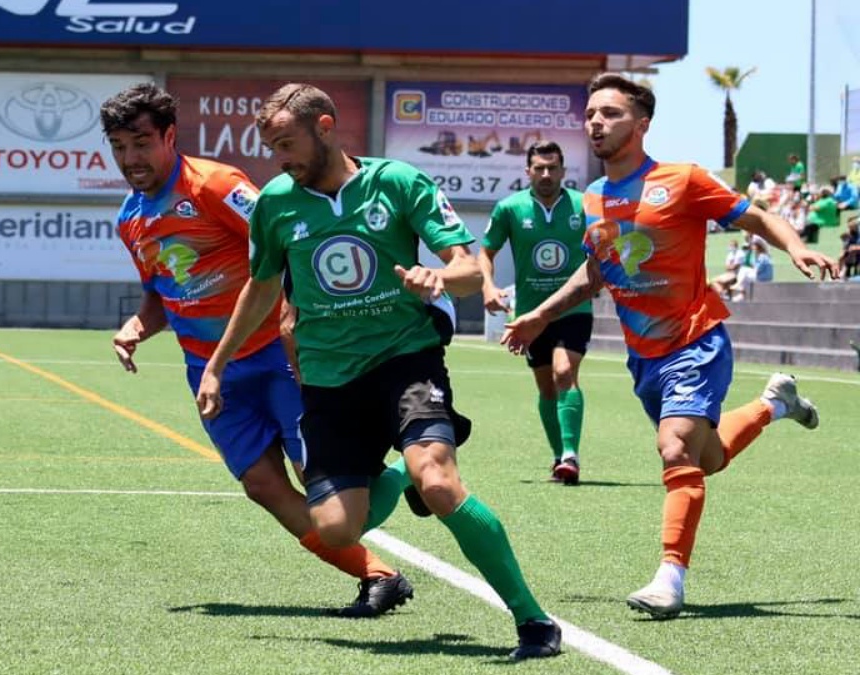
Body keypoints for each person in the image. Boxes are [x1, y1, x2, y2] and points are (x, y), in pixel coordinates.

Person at [196, 83, 561, 660]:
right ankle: (397, 479)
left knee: (439, 482)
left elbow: (467, 267)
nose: (280, 159)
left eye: (286, 143)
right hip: (328, 382)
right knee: (338, 530)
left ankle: (533, 622)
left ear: (324, 126)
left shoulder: (397, 182)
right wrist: (216, 365)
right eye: (272, 148)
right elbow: (262, 286)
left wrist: (440, 279)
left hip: (404, 360)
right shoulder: (275, 203)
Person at [502, 73, 839, 620]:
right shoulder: (593, 200)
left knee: (676, 447)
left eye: (610, 113)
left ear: (641, 124)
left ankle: (669, 577)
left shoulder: (682, 180)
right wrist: (538, 317)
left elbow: (753, 216)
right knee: (706, 458)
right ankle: (776, 403)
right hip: (646, 358)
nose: (596, 122)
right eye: (590, 114)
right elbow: (595, 273)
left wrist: (797, 245)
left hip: (696, 339)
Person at [100, 83, 413, 619]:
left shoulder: (216, 185)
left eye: (141, 143)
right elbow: (163, 292)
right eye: (119, 146)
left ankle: (412, 468)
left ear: (169, 137)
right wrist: (137, 324)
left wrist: (298, 315)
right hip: (208, 370)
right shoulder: (131, 218)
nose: (131, 158)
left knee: (318, 479)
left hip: (275, 356)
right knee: (264, 485)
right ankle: (377, 575)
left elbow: (292, 242)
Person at [478, 140, 590, 484]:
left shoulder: (583, 205)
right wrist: (487, 286)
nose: (545, 174)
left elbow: (604, 246)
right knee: (545, 387)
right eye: (539, 168)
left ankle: (571, 454)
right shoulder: (509, 208)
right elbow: (486, 251)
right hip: (529, 315)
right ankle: (559, 456)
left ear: (563, 171)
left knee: (563, 372)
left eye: (552, 168)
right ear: (527, 171)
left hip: (574, 308)